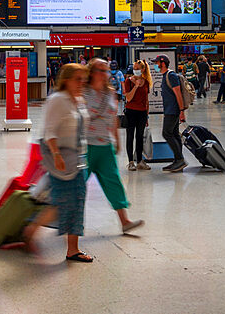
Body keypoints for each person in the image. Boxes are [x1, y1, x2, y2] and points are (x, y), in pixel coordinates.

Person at [22, 63, 92, 262]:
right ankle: (67, 247)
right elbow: (49, 131)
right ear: (66, 80)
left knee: (70, 201)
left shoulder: (77, 100)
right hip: (60, 159)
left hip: (76, 158)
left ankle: (35, 232)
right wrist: (57, 156)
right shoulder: (58, 100)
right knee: (69, 202)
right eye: (77, 79)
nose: (81, 83)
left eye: (83, 79)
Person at [83, 59, 143, 233]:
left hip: (104, 145)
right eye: (101, 70)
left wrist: (116, 139)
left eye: (106, 70)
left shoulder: (110, 93)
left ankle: (124, 221)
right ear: (92, 72)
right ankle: (57, 221)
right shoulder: (83, 92)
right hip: (85, 146)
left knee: (114, 182)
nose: (105, 74)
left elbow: (113, 118)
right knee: (76, 187)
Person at [155, 55, 187, 172]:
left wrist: (181, 111)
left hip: (173, 110)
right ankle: (177, 160)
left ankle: (180, 160)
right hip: (169, 109)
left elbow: (178, 94)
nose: (155, 65)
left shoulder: (171, 75)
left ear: (162, 63)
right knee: (174, 134)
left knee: (167, 133)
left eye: (157, 63)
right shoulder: (165, 76)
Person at [123, 60, 151, 171]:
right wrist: (136, 86)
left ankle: (140, 160)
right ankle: (130, 162)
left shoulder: (147, 82)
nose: (136, 70)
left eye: (138, 68)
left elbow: (146, 100)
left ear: (143, 69)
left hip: (142, 112)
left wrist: (147, 114)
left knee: (140, 137)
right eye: (134, 68)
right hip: (131, 112)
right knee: (130, 136)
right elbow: (128, 98)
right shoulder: (128, 81)